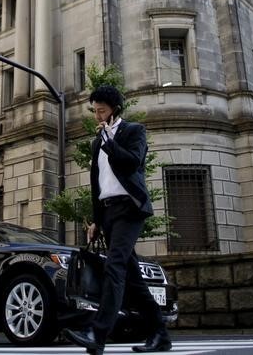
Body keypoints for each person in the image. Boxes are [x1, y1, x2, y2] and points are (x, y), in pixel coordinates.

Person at [64, 85, 171, 354]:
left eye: (102, 111)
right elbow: (97, 184)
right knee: (133, 280)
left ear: (115, 110)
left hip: (130, 209)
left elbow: (132, 162)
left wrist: (110, 141)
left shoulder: (134, 131)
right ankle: (160, 334)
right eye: (95, 111)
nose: (97, 116)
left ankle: (97, 333)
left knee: (114, 268)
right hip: (109, 212)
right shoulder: (96, 143)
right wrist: (96, 221)